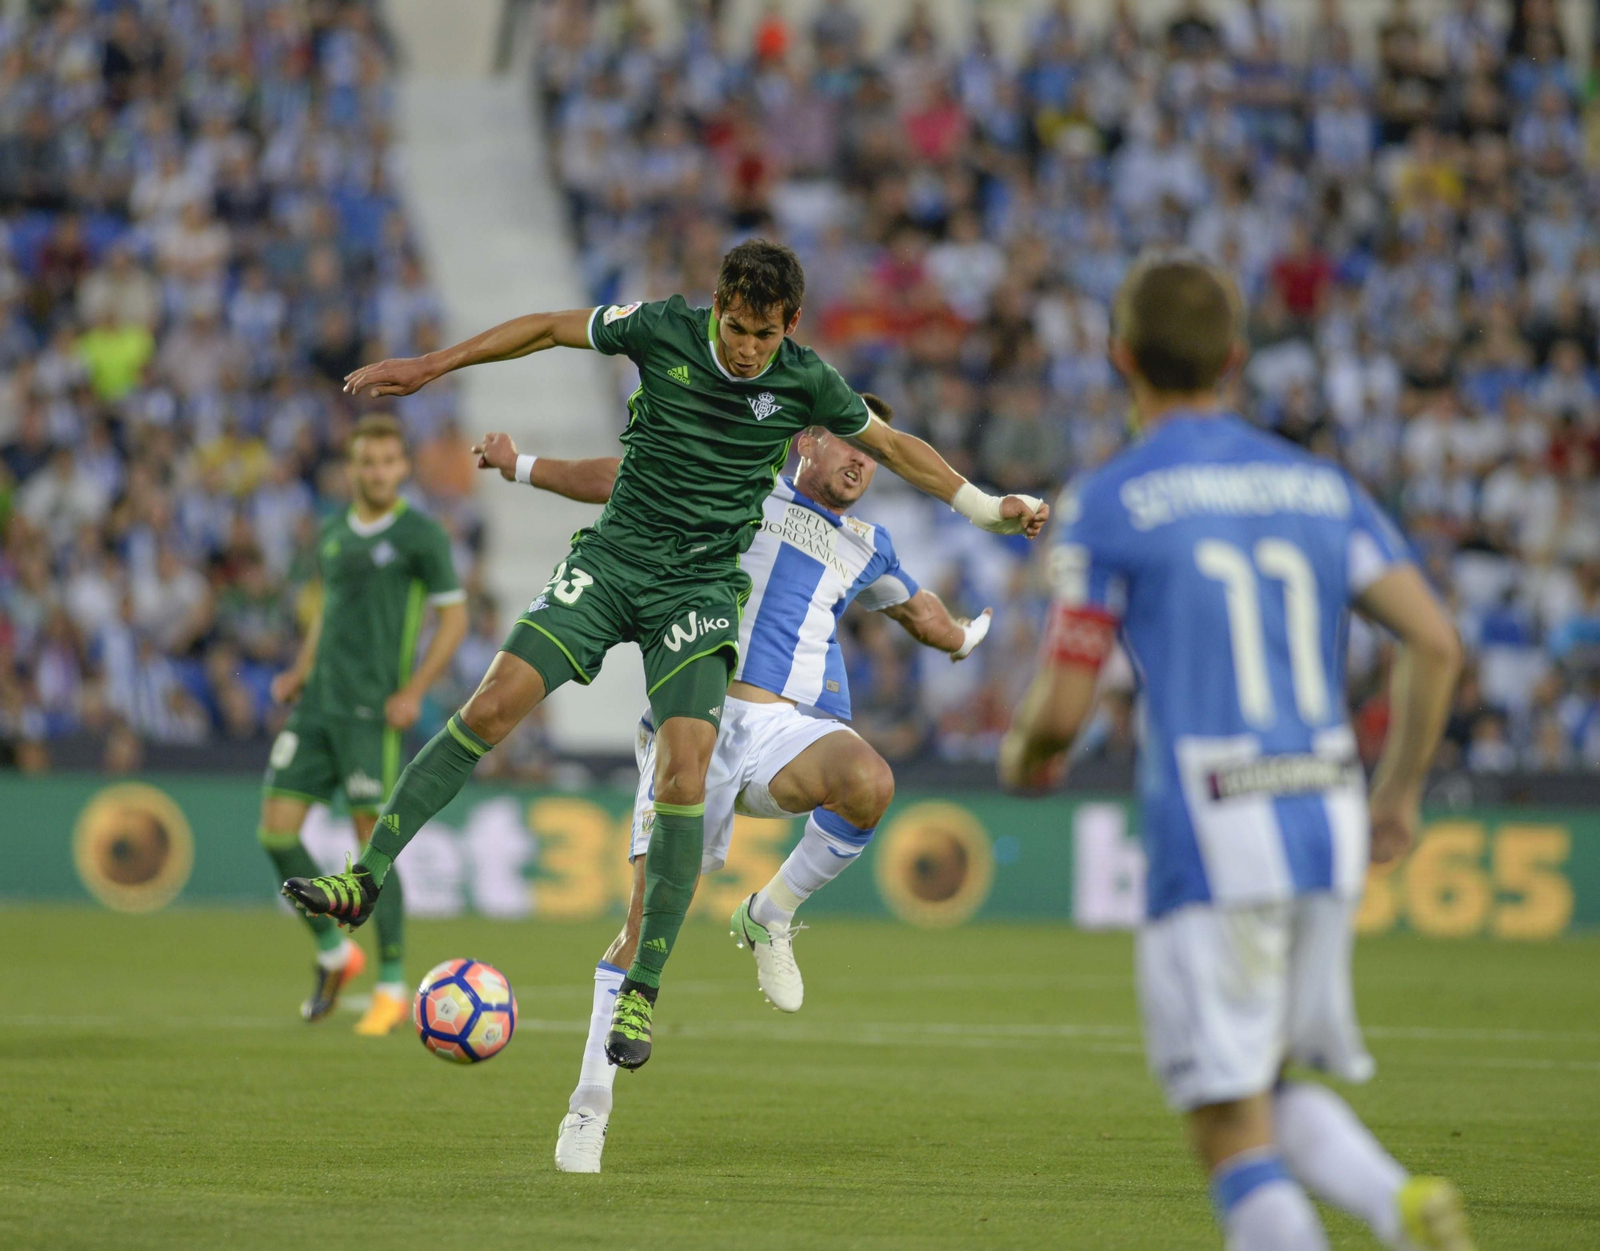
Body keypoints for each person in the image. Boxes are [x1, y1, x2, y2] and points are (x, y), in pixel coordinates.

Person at [284, 240, 1047, 1071]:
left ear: (788, 327)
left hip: (696, 593)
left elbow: (898, 448)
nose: (743, 345)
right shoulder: (664, 330)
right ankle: (365, 877)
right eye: (733, 324)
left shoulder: (809, 384)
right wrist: (433, 366)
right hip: (612, 563)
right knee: (491, 705)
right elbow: (546, 327)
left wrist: (984, 507)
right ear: (715, 304)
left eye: (761, 333)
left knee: (686, 772)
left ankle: (643, 988)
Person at [1000, 254, 1473, 1251]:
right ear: (1235, 358)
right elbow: (1433, 642)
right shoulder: (1320, 486)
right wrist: (1395, 797)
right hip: (1326, 815)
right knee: (1258, 1083)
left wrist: (1027, 758)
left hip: (1214, 826)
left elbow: (1064, 704)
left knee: (1222, 1122)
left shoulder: (1110, 499)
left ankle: (1388, 1209)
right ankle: (1394, 1204)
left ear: (1118, 356)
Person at [475, 393, 993, 1172]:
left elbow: (924, 615)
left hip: (786, 730)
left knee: (868, 778)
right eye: (849, 441)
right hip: (695, 720)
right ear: (805, 442)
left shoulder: (869, 544)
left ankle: (770, 912)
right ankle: (589, 1106)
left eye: (874, 452)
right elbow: (625, 478)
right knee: (651, 921)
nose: (862, 458)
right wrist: (521, 465)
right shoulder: (743, 485)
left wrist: (965, 636)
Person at [260, 413, 468, 1032]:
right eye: (366, 461)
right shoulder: (332, 534)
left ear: (403, 467)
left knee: (370, 853)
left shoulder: (421, 536)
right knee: (275, 834)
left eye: (386, 461)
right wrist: (300, 670)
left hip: (369, 715)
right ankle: (334, 952)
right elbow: (328, 612)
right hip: (318, 705)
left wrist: (414, 690)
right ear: (351, 467)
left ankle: (393, 983)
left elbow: (452, 620)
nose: (376, 471)